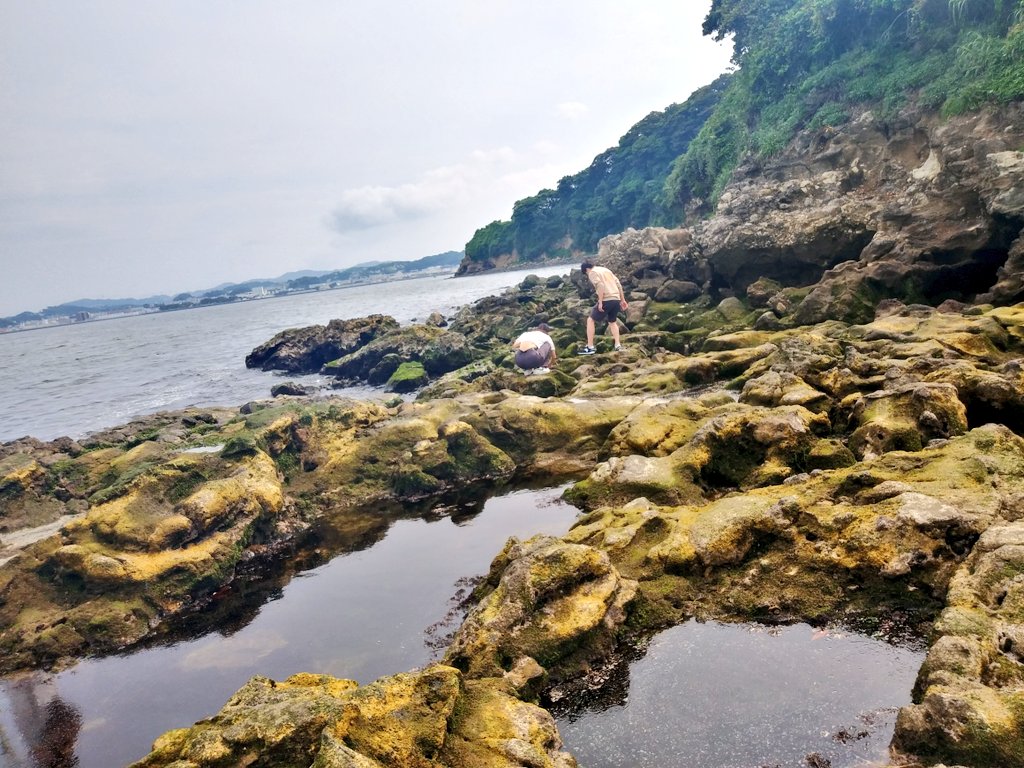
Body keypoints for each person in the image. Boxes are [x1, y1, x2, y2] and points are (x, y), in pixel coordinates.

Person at [579, 261, 628, 354]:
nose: (587, 274)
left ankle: (590, 346)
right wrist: (622, 299)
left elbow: (600, 285)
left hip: (607, 299)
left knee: (590, 320)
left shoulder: (592, 272)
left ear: (586, 269)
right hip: (616, 298)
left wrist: (600, 301)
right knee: (612, 322)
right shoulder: (606, 270)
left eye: (586, 273)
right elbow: (618, 284)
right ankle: (618, 345)